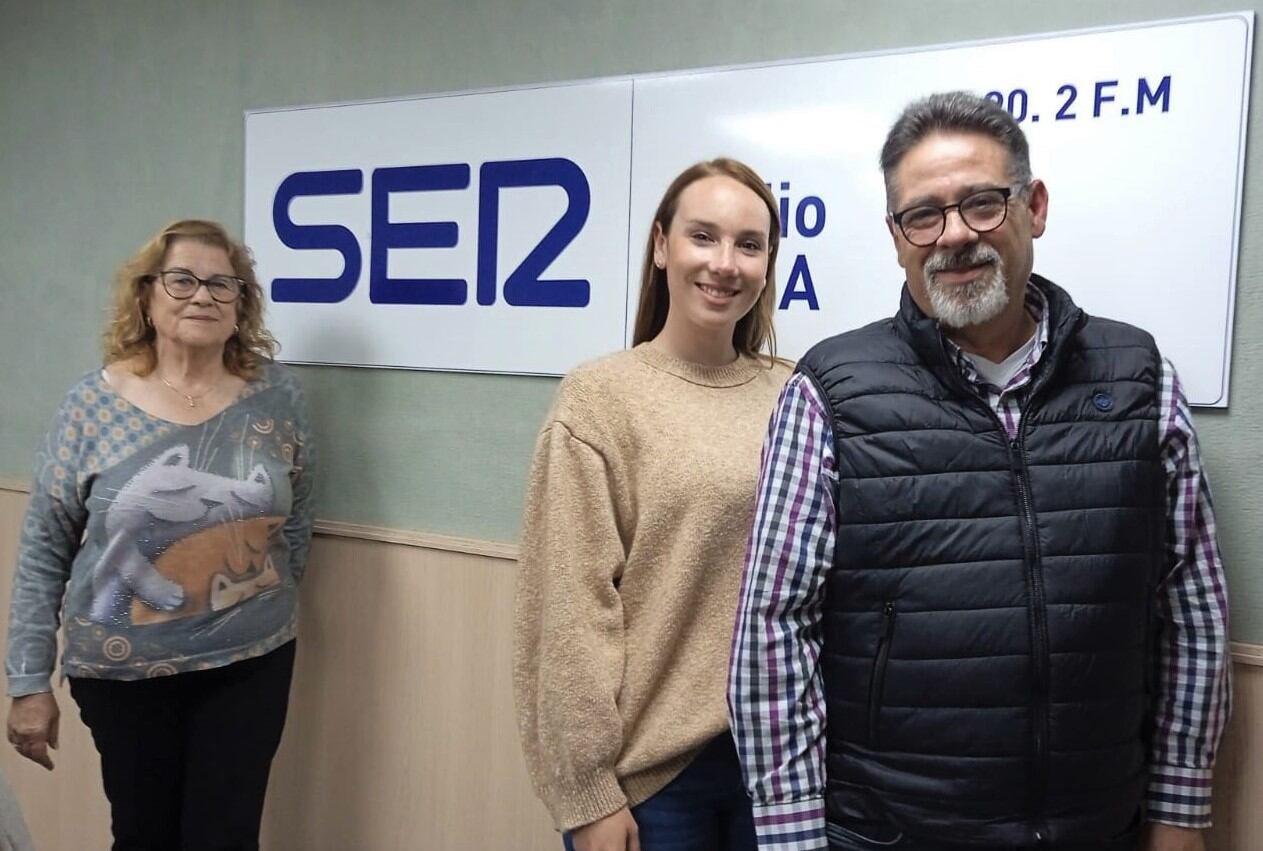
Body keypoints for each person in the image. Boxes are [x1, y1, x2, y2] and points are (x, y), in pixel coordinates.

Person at [728, 91, 1231, 851]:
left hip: (1099, 827)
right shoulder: (830, 392)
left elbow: (1190, 609)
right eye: (922, 216)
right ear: (896, 238)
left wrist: (1179, 806)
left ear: (1033, 205)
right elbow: (772, 626)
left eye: (981, 204)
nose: (954, 235)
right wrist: (792, 838)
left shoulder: (1138, 378)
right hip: (893, 832)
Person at [5, 219, 316, 851]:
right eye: (182, 279)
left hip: (249, 663)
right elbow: (44, 552)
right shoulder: (91, 406)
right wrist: (28, 682)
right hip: (124, 675)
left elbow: (298, 518)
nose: (202, 296)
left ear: (241, 305)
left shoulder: (279, 396)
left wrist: (251, 602)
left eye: (222, 284)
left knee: (225, 838)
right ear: (146, 296)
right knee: (145, 834)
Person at [514, 158, 792, 851]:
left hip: (777, 762)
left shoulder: (794, 393)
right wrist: (585, 794)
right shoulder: (600, 397)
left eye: (748, 244)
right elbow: (568, 608)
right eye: (703, 237)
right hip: (655, 781)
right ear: (662, 245)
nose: (724, 263)